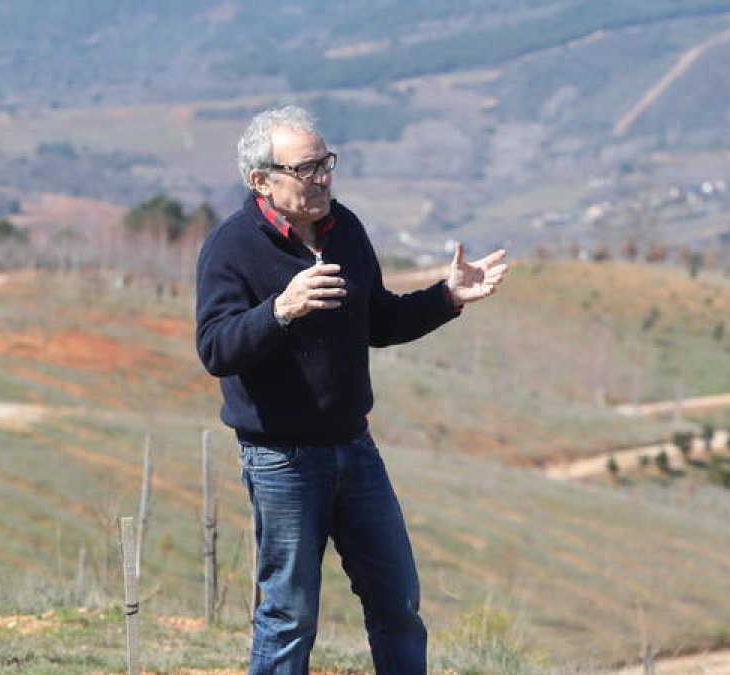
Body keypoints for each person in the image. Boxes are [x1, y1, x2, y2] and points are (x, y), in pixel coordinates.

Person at [195, 105, 507, 674]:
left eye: (325, 165)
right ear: (260, 180)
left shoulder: (346, 229)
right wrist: (280, 310)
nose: (321, 180)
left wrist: (448, 296)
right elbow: (215, 349)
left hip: (354, 449)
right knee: (289, 615)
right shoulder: (233, 246)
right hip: (281, 458)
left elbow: (380, 322)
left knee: (398, 602)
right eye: (306, 169)